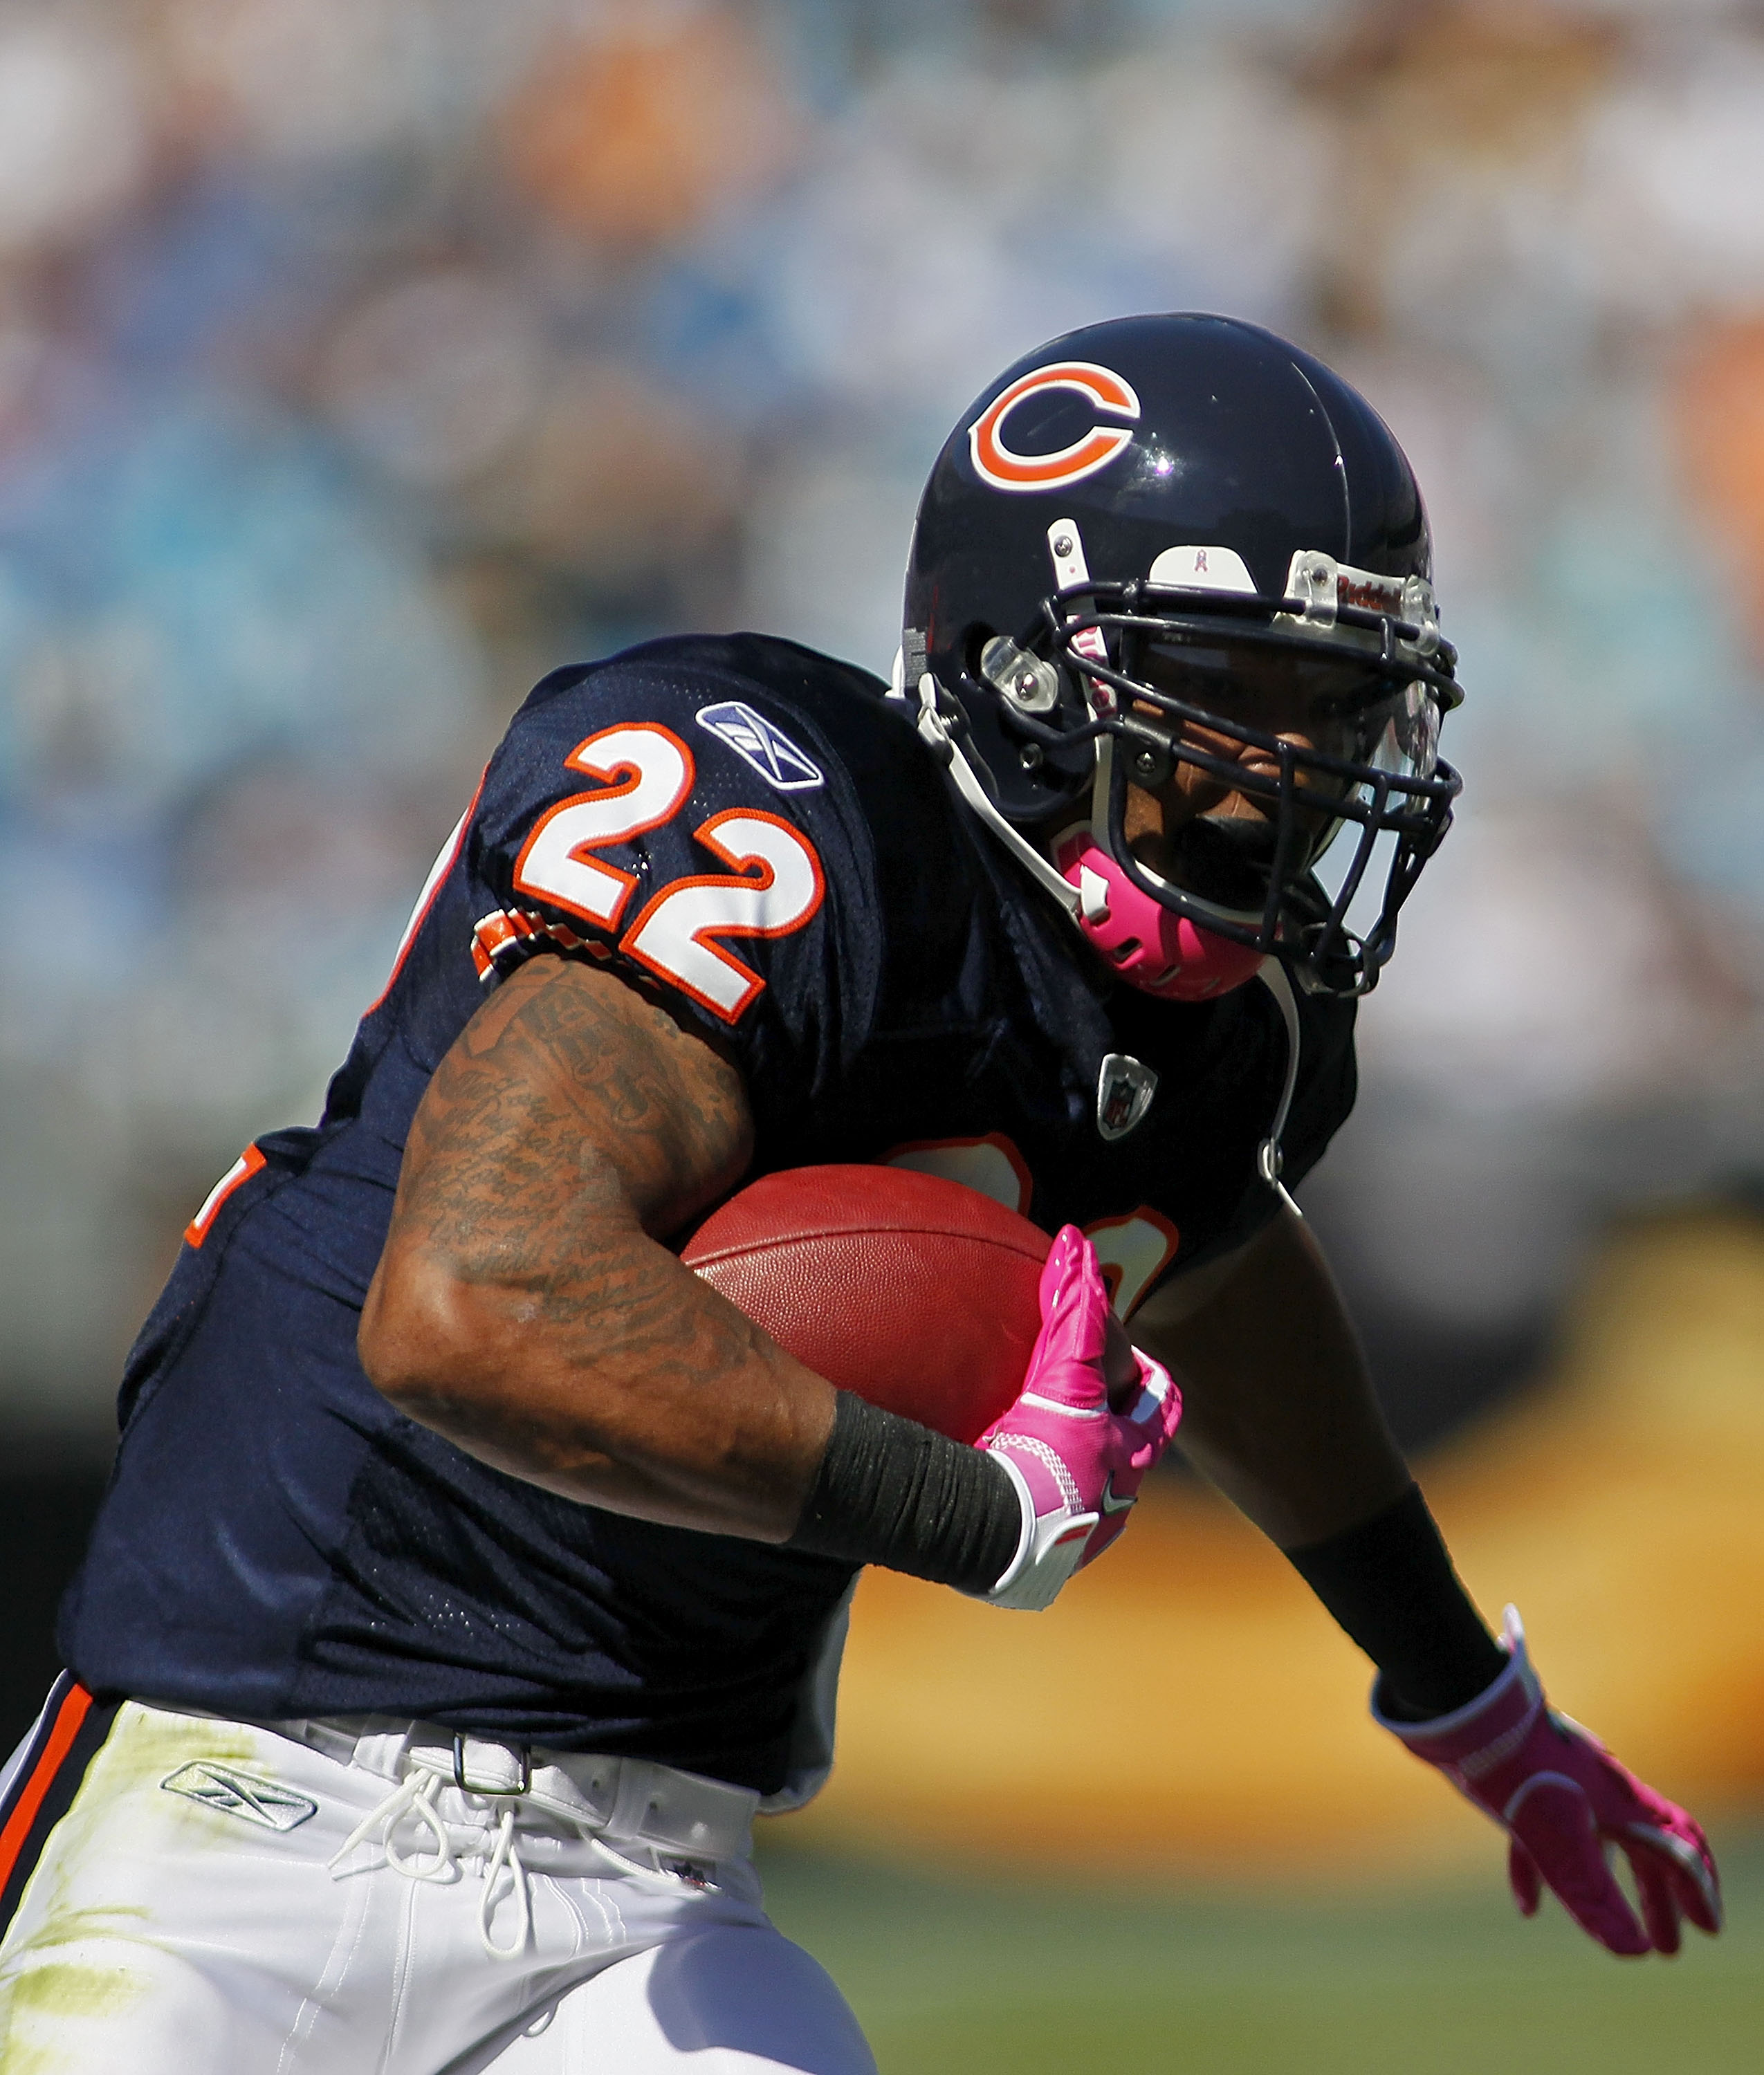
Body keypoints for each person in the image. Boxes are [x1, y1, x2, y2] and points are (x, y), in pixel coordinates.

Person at [0, 315, 1719, 2072]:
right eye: (1233, 695)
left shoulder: (1231, 1039)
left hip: (650, 1880)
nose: (1287, 776)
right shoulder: (787, 817)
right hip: (254, 1779)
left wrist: (1464, 1693)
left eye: (1336, 706)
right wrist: (979, 1512)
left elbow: (1215, 1260)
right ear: (1027, 670)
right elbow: (473, 1303)